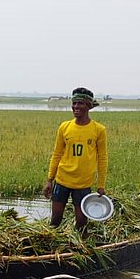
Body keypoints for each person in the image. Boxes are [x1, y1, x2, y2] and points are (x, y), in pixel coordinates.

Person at [43, 87, 109, 228]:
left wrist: (101, 185)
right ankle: (54, 249)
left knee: (81, 223)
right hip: (62, 180)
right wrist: (49, 179)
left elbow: (102, 159)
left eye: (80, 103)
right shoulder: (64, 127)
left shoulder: (98, 130)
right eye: (74, 103)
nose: (76, 107)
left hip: (83, 184)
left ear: (89, 106)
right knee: (55, 221)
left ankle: (81, 248)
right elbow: (57, 154)